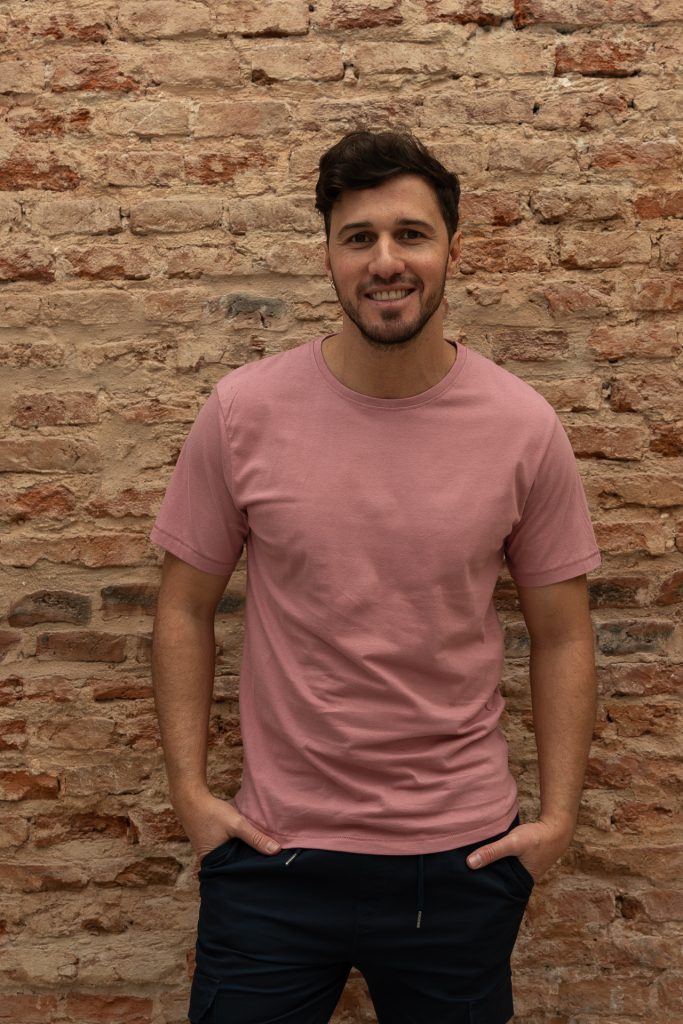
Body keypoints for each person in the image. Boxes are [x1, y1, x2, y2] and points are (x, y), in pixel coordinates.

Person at [150, 129, 601, 1024]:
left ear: (452, 250)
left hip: (461, 861)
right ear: (327, 255)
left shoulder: (521, 426)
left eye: (410, 235)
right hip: (273, 855)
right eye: (358, 237)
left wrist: (555, 819)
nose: (385, 261)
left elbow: (563, 633)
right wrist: (191, 797)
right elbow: (183, 607)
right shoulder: (242, 411)